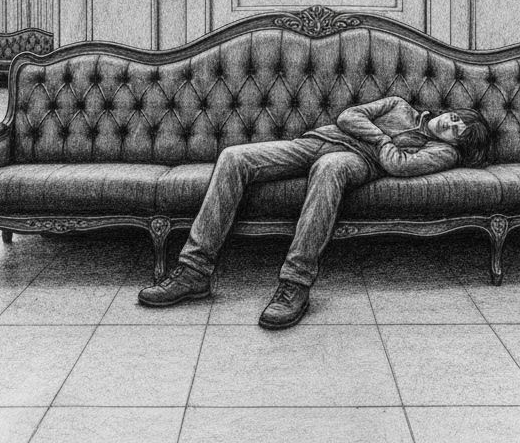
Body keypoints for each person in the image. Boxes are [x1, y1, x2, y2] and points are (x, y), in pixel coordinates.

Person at [137, 96, 490, 329]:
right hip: (317, 139)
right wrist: (384, 138)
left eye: (460, 132)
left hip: (356, 161)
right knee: (233, 156)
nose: (452, 125)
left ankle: (295, 284)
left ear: (459, 144)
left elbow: (396, 165)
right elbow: (348, 116)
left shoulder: (442, 152)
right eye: (456, 118)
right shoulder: (398, 105)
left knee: (330, 167)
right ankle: (193, 270)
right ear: (448, 110)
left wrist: (377, 144)